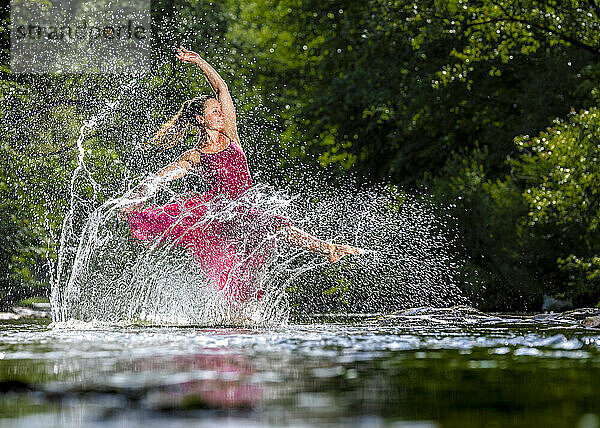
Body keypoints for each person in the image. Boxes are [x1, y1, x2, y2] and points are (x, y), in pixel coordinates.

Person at [122, 46, 362, 301]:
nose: (221, 113)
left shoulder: (231, 135)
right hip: (223, 213)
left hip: (248, 209)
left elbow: (222, 89)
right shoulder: (195, 155)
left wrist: (200, 61)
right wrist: (132, 198)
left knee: (247, 280)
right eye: (215, 111)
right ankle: (327, 248)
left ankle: (238, 321)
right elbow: (160, 177)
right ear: (202, 120)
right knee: (276, 225)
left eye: (220, 110)